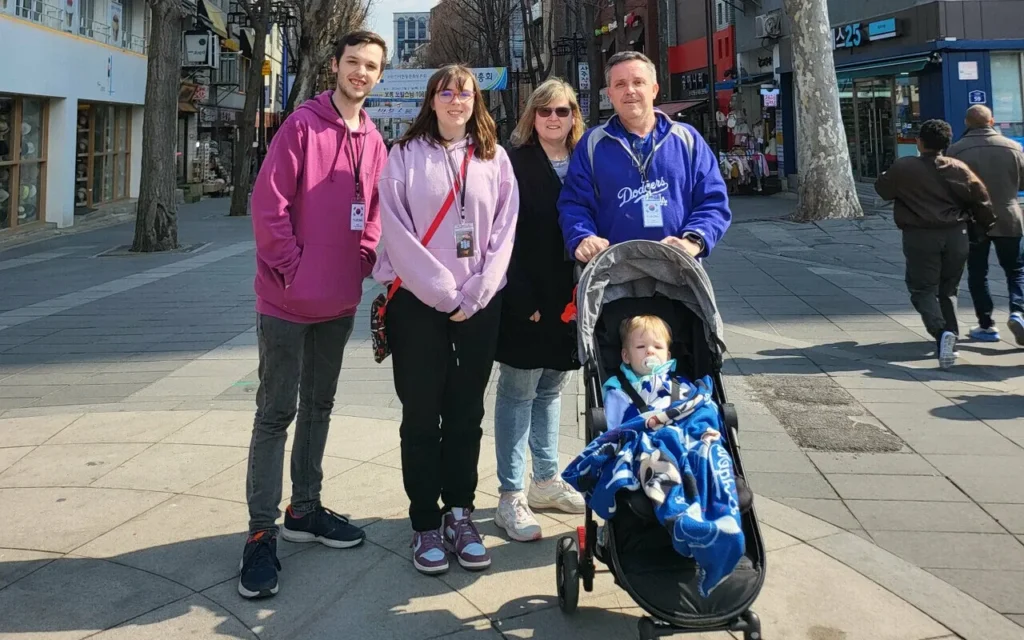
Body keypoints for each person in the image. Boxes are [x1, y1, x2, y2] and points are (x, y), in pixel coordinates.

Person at [240, 31, 389, 600]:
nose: (361, 72)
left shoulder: (373, 138)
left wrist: (363, 260)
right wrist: (293, 269)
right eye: (353, 62)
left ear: (379, 75)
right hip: (285, 301)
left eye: (371, 66)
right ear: (336, 66)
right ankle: (260, 532)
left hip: (339, 302)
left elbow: (372, 210)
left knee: (321, 406)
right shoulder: (302, 126)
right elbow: (268, 204)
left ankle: (304, 508)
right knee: (276, 412)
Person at [373, 65, 519, 575]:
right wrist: (443, 293)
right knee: (420, 416)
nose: (456, 100)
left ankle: (460, 512)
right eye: (446, 91)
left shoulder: (495, 158)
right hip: (418, 304)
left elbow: (504, 232)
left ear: (475, 101)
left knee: (465, 413)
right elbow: (396, 232)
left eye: (465, 92)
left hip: (479, 304)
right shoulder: (402, 158)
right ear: (431, 100)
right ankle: (424, 522)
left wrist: (475, 294)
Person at [492, 78, 587, 543]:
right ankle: (511, 494)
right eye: (546, 111)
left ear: (574, 115)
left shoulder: (586, 160)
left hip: (571, 298)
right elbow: (501, 233)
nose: (554, 119)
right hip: (527, 294)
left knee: (552, 389)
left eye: (563, 111)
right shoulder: (513, 163)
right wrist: (520, 296)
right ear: (532, 116)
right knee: (518, 390)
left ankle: (546, 480)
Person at [558, 51, 731, 263]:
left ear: (654, 89)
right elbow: (574, 204)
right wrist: (583, 237)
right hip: (612, 274)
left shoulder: (687, 139)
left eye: (638, 82)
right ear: (610, 94)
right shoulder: (592, 144)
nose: (630, 90)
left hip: (677, 272)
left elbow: (713, 201)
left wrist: (694, 241)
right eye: (620, 84)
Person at [874, 119, 997, 368]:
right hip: (957, 234)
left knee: (922, 289)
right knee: (949, 288)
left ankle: (942, 333)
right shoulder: (960, 168)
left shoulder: (904, 167)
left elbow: (883, 190)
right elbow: (982, 201)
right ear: (947, 143)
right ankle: (950, 335)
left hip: (921, 235)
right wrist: (985, 229)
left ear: (919, 142)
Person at [946, 105, 1024, 345]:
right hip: (1009, 215)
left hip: (974, 220)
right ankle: (1018, 311)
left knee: (978, 272)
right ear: (992, 121)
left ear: (967, 123)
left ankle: (987, 325)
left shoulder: (956, 151)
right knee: (1017, 270)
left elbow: (951, 188)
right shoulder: (1014, 147)